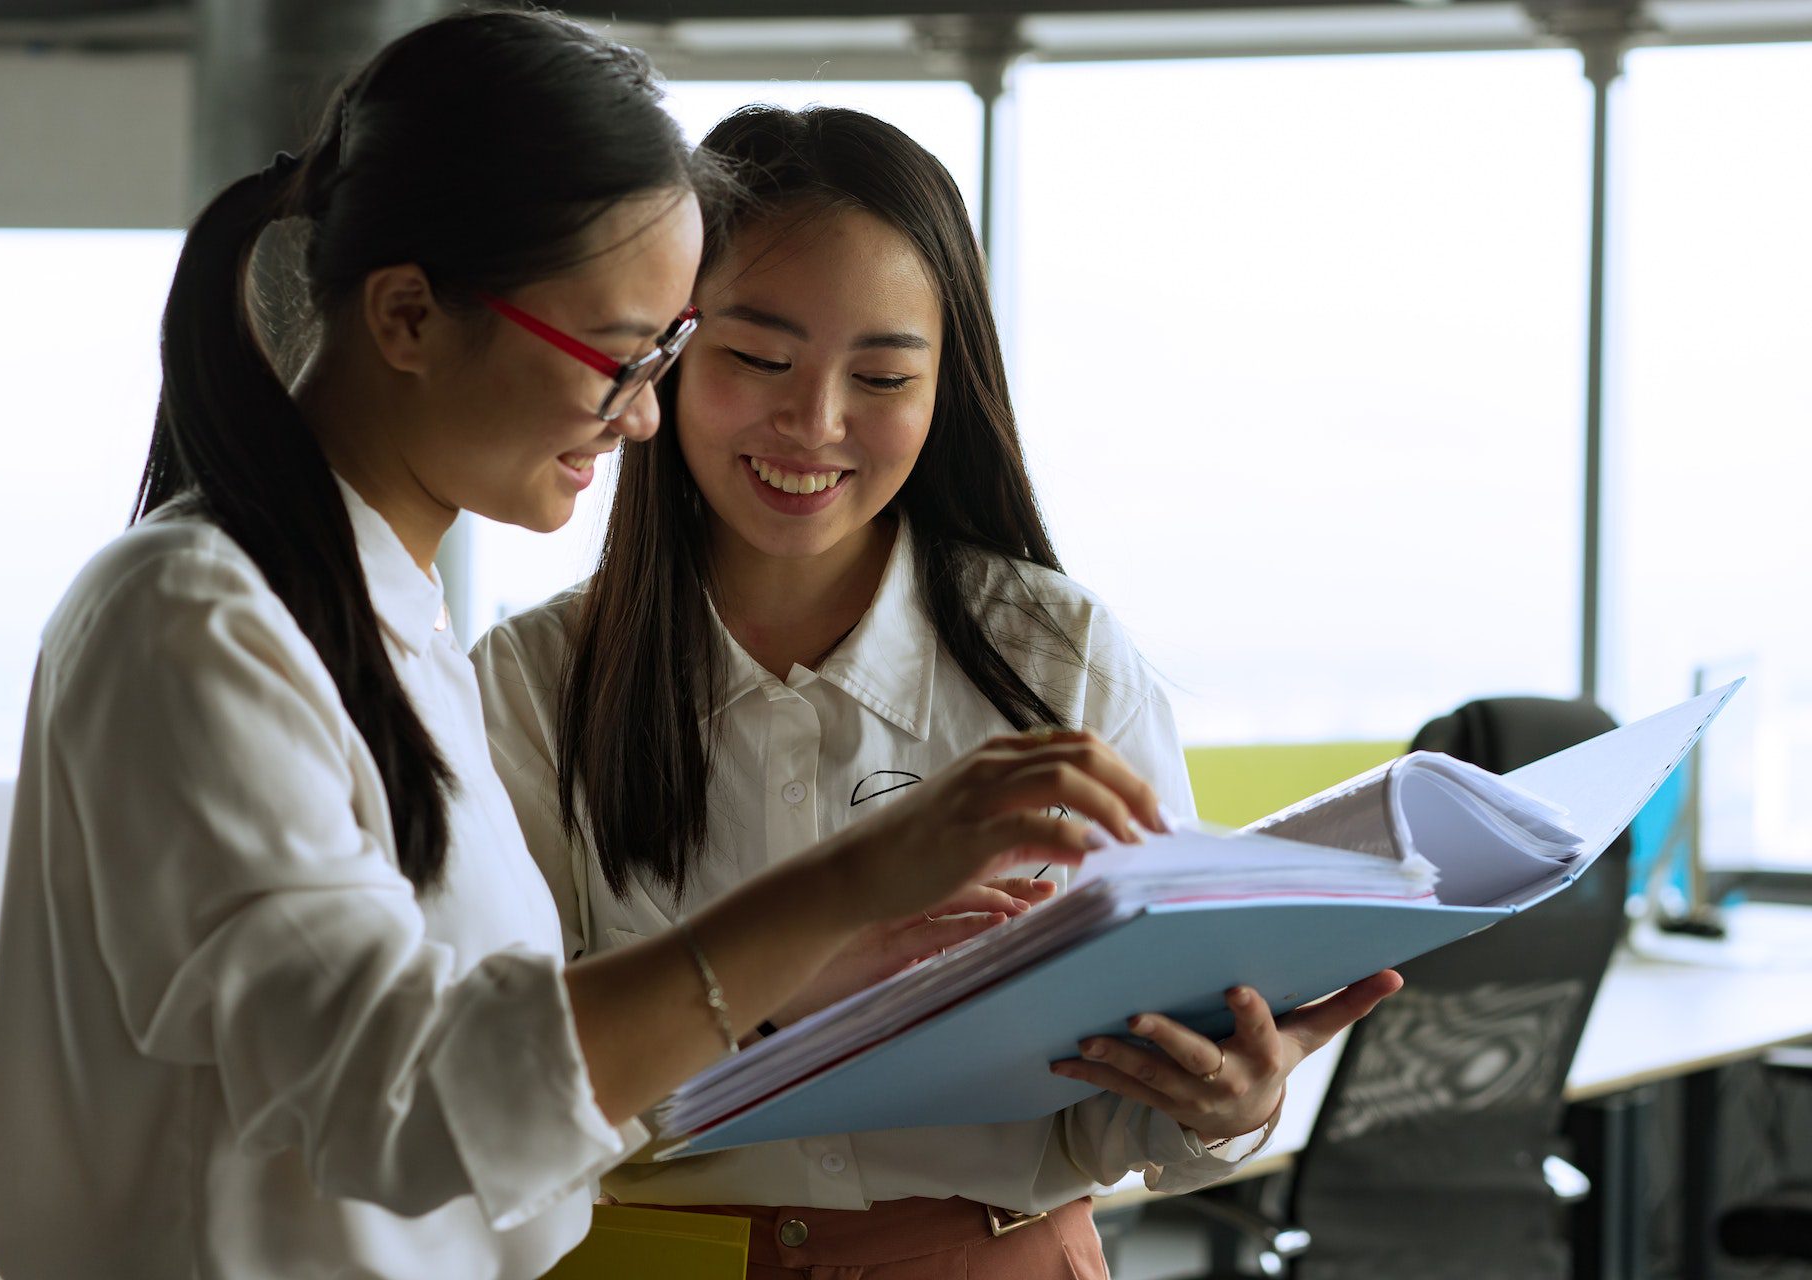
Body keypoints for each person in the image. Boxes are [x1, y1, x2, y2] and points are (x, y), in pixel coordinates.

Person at [0, 17, 1166, 1280]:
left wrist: (805, 982)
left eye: (661, 355)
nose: (644, 413)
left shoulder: (386, 625)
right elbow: (407, 1102)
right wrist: (838, 890)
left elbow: (499, 1090)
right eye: (621, 356)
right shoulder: (202, 619)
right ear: (408, 317)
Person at [473, 104, 1401, 1278]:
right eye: (758, 359)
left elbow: (1125, 1111)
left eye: (882, 373)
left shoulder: (1057, 658)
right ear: (664, 355)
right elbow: (489, 1104)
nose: (814, 423)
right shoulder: (532, 683)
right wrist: (764, 996)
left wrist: (1227, 1097)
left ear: (943, 385)